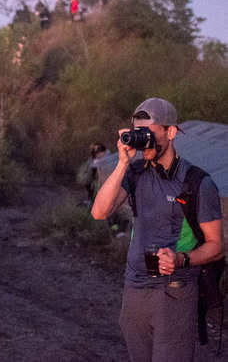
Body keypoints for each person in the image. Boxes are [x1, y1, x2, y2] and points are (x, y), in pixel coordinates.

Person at [91, 98, 223, 361]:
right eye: (138, 132)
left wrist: (181, 259)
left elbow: (217, 246)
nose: (143, 141)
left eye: (148, 132)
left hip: (175, 292)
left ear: (171, 132)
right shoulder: (135, 173)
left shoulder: (197, 182)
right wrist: (122, 163)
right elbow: (99, 212)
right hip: (134, 290)